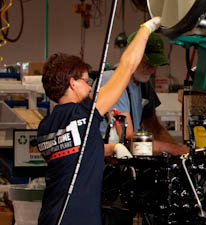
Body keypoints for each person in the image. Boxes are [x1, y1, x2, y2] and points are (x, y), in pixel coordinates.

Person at [36, 17, 161, 225]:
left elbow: (75, 150)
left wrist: (111, 148)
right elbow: (127, 67)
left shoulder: (45, 127)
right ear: (72, 83)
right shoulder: (85, 113)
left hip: (49, 216)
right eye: (86, 81)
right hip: (77, 219)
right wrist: (146, 30)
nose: (90, 87)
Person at [99, 32, 188, 155]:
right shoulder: (112, 81)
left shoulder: (143, 84)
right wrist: (175, 149)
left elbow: (154, 128)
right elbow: (127, 137)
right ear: (132, 56)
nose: (152, 69)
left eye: (156, 65)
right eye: (147, 63)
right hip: (106, 159)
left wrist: (181, 154)